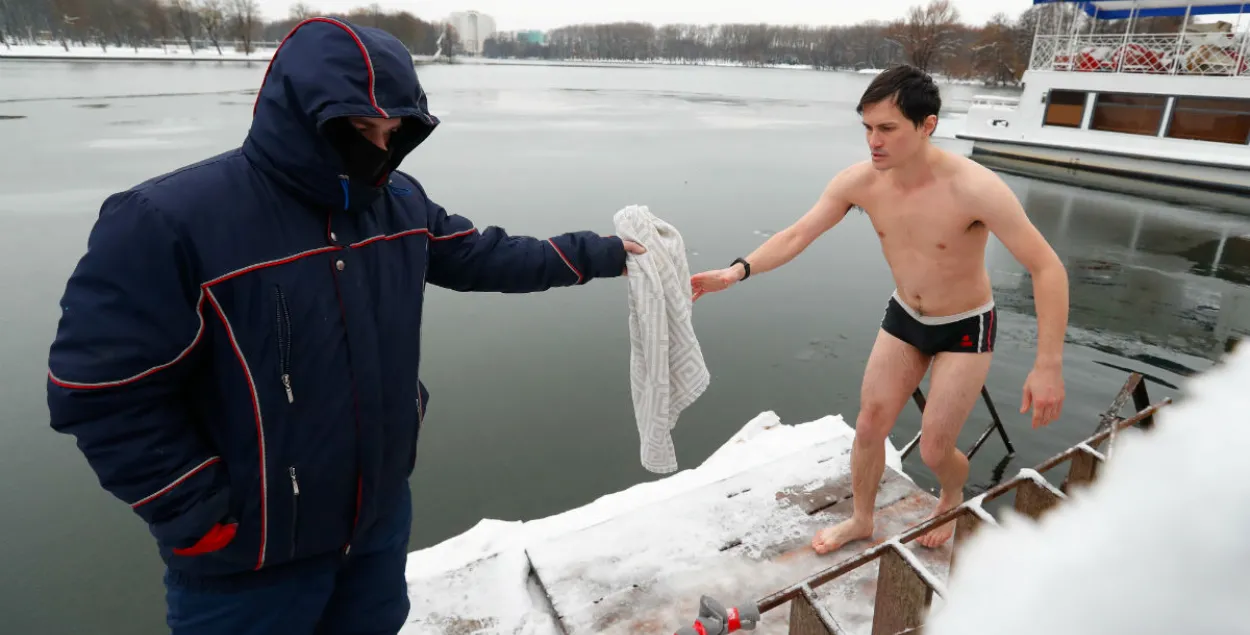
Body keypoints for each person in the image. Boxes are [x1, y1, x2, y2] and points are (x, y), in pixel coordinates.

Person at [45, 17, 643, 635]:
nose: (380, 150)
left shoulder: (398, 204)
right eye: (360, 130)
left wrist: (603, 254)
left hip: (374, 528)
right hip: (251, 559)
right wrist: (193, 507)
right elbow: (98, 392)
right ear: (298, 115)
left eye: (393, 133)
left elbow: (483, 255)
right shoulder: (168, 223)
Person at [689, 64, 1068, 553]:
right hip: (905, 317)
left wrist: (1048, 365)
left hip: (965, 326)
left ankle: (952, 493)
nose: (873, 141)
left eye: (887, 128)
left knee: (934, 448)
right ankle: (861, 519)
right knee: (869, 424)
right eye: (867, 128)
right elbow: (798, 234)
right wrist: (736, 271)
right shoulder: (861, 183)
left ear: (927, 125)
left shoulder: (975, 188)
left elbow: (1047, 267)